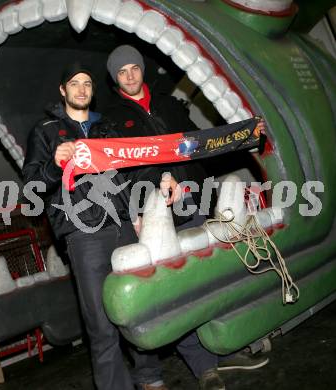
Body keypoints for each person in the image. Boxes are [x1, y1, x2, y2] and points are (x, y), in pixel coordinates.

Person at [104, 44, 269, 390]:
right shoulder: (113, 118)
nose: (130, 75)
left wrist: (247, 131)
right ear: (115, 78)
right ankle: (203, 367)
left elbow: (205, 143)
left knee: (209, 278)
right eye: (122, 72)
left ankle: (223, 351)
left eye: (134, 68)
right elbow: (120, 168)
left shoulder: (167, 103)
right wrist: (157, 183)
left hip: (193, 203)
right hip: (156, 215)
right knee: (178, 292)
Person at [22, 63, 170, 390]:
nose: (81, 89)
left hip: (123, 226)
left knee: (139, 308)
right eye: (74, 83)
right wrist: (52, 164)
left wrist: (158, 183)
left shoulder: (107, 128)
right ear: (63, 90)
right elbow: (30, 188)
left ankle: (151, 377)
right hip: (83, 235)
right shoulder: (45, 131)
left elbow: (131, 173)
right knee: (101, 325)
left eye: (87, 83)